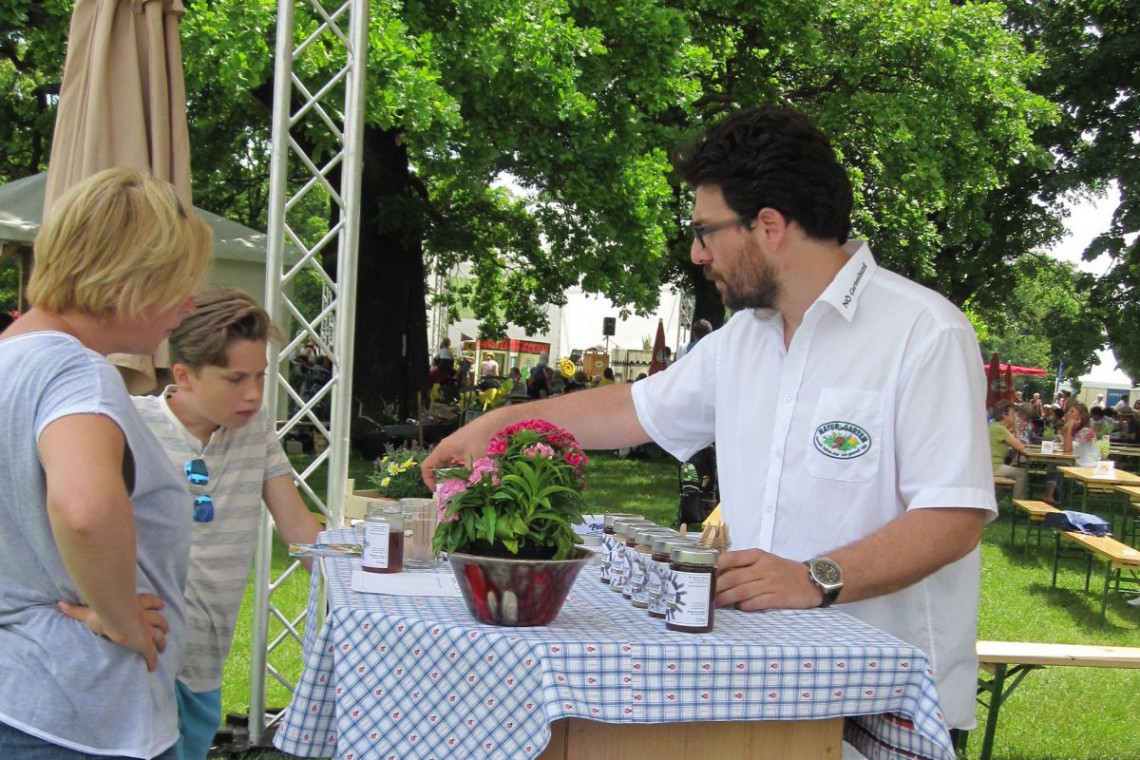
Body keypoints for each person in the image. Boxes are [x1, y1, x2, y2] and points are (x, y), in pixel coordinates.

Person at [422, 106, 993, 733]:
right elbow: (630, 409)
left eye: (705, 231)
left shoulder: (924, 331)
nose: (697, 254)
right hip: (763, 682)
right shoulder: (743, 337)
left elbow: (953, 518)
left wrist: (815, 578)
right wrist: (500, 424)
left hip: (886, 701)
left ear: (769, 225)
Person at [0, 168, 213, 757]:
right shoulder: (77, 372)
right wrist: (120, 619)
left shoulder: (11, 360)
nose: (188, 304)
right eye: (179, 284)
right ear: (128, 281)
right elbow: (85, 508)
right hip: (84, 713)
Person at [117, 288, 322, 760]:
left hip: (205, 661)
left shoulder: (256, 431)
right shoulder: (129, 424)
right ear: (184, 375)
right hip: (138, 657)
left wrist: (363, 569)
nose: (253, 393)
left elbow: (297, 528)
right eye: (234, 379)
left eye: (260, 376)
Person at [1042, 401, 1098, 505]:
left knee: (1057, 465)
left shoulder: (1087, 431)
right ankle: (1051, 497)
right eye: (1068, 411)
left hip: (1086, 468)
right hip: (1073, 463)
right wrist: (1066, 428)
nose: (1068, 414)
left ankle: (1050, 496)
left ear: (1081, 415)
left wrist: (1069, 428)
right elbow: (1063, 445)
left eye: (1072, 411)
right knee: (1055, 464)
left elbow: (1067, 450)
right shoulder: (1072, 428)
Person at [990, 400, 1029, 499]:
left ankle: (997, 499)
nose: (1015, 416)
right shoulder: (1000, 429)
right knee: (1021, 473)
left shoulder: (994, 426)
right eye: (1012, 413)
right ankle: (1018, 503)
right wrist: (1015, 427)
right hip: (994, 466)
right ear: (1004, 415)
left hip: (990, 465)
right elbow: (1020, 446)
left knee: (1013, 467)